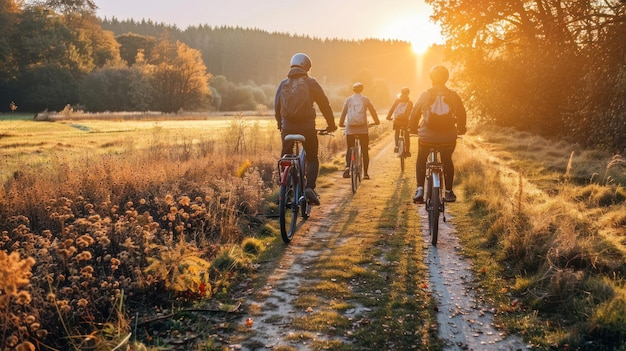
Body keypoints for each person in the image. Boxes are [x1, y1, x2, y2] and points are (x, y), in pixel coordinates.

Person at [275, 53, 337, 206]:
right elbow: (324, 104)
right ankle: (309, 188)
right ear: (307, 67)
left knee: (286, 156)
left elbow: (277, 107)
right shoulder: (311, 82)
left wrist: (280, 125)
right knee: (312, 157)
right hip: (308, 128)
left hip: (287, 128)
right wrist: (331, 124)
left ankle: (286, 189)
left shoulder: (283, 84)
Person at [409, 65, 466, 203]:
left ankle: (420, 190)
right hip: (448, 137)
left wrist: (412, 128)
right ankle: (448, 191)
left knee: (422, 157)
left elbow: (415, 113)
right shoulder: (452, 95)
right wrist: (461, 128)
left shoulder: (426, 94)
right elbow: (461, 113)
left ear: (431, 78)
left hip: (427, 137)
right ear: (446, 78)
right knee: (447, 159)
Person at [338, 82, 380, 180]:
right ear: (362, 90)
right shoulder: (365, 100)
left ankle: (348, 167)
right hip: (363, 129)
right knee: (365, 150)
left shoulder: (348, 100)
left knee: (350, 148)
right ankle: (365, 173)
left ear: (353, 90)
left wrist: (341, 124)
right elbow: (373, 111)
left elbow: (344, 112)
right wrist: (377, 121)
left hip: (350, 129)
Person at [386, 87, 413, 156]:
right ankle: (407, 151)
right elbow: (412, 113)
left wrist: (388, 117)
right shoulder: (410, 103)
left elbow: (392, 109)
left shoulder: (397, 101)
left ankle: (397, 146)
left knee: (397, 131)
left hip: (397, 121)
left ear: (401, 93)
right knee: (406, 135)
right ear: (408, 93)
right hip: (406, 122)